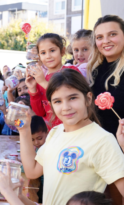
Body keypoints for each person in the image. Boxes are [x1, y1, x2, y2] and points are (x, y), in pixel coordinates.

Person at [19, 69, 124, 204]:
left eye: (72, 98)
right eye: (57, 101)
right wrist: (24, 131)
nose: (66, 107)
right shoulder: (55, 132)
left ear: (88, 98)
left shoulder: (103, 140)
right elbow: (32, 171)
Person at [26, 33, 81, 129]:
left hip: (72, 129)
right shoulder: (40, 78)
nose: (48, 56)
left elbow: (67, 95)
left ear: (62, 51)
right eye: (43, 53)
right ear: (39, 55)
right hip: (51, 133)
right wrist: (33, 89)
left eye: (52, 50)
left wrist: (43, 82)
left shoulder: (71, 71)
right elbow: (40, 112)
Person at [87, 15, 124, 136]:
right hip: (101, 145)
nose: (106, 41)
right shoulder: (95, 71)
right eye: (99, 37)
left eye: (113, 34)